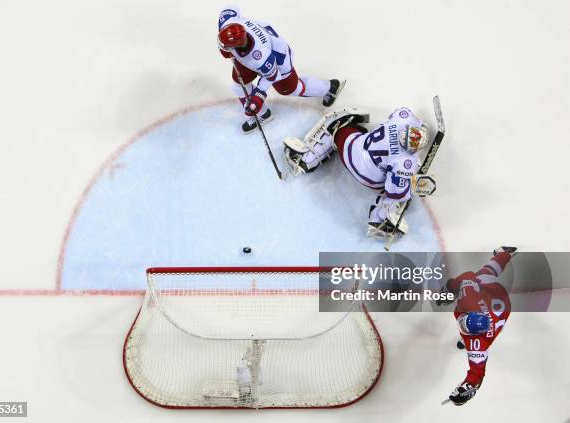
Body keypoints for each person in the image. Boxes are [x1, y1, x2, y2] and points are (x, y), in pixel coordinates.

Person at [283, 108, 428, 237]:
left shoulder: (402, 118)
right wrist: (410, 183)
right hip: (370, 179)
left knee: (340, 123)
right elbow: (396, 192)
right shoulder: (406, 162)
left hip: (351, 151)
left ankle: (305, 159)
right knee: (398, 188)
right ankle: (380, 217)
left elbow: (401, 113)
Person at [218, 6, 344, 133]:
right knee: (239, 86)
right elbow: (231, 9)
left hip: (278, 60)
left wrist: (258, 96)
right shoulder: (228, 21)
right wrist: (227, 47)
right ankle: (263, 115)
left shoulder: (261, 57)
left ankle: (330, 87)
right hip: (253, 55)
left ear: (238, 45)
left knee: (290, 89)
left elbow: (272, 75)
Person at [437, 246, 517, 406]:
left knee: (487, 273)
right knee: (487, 272)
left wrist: (467, 389)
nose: (462, 324)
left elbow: (477, 373)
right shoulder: (469, 286)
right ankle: (506, 253)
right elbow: (460, 280)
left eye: (465, 328)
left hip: (501, 309)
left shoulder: (478, 342)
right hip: (488, 292)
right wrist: (449, 289)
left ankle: (505, 254)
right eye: (464, 324)